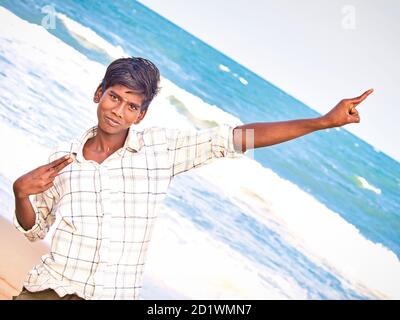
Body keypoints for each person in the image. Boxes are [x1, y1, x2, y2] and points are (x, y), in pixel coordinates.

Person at [12, 57, 373, 300]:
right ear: (99, 93)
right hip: (47, 291)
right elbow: (35, 230)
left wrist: (322, 122)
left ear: (141, 115)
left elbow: (239, 137)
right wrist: (20, 194)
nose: (118, 111)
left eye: (131, 105)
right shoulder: (63, 160)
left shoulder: (161, 150)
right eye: (114, 97)